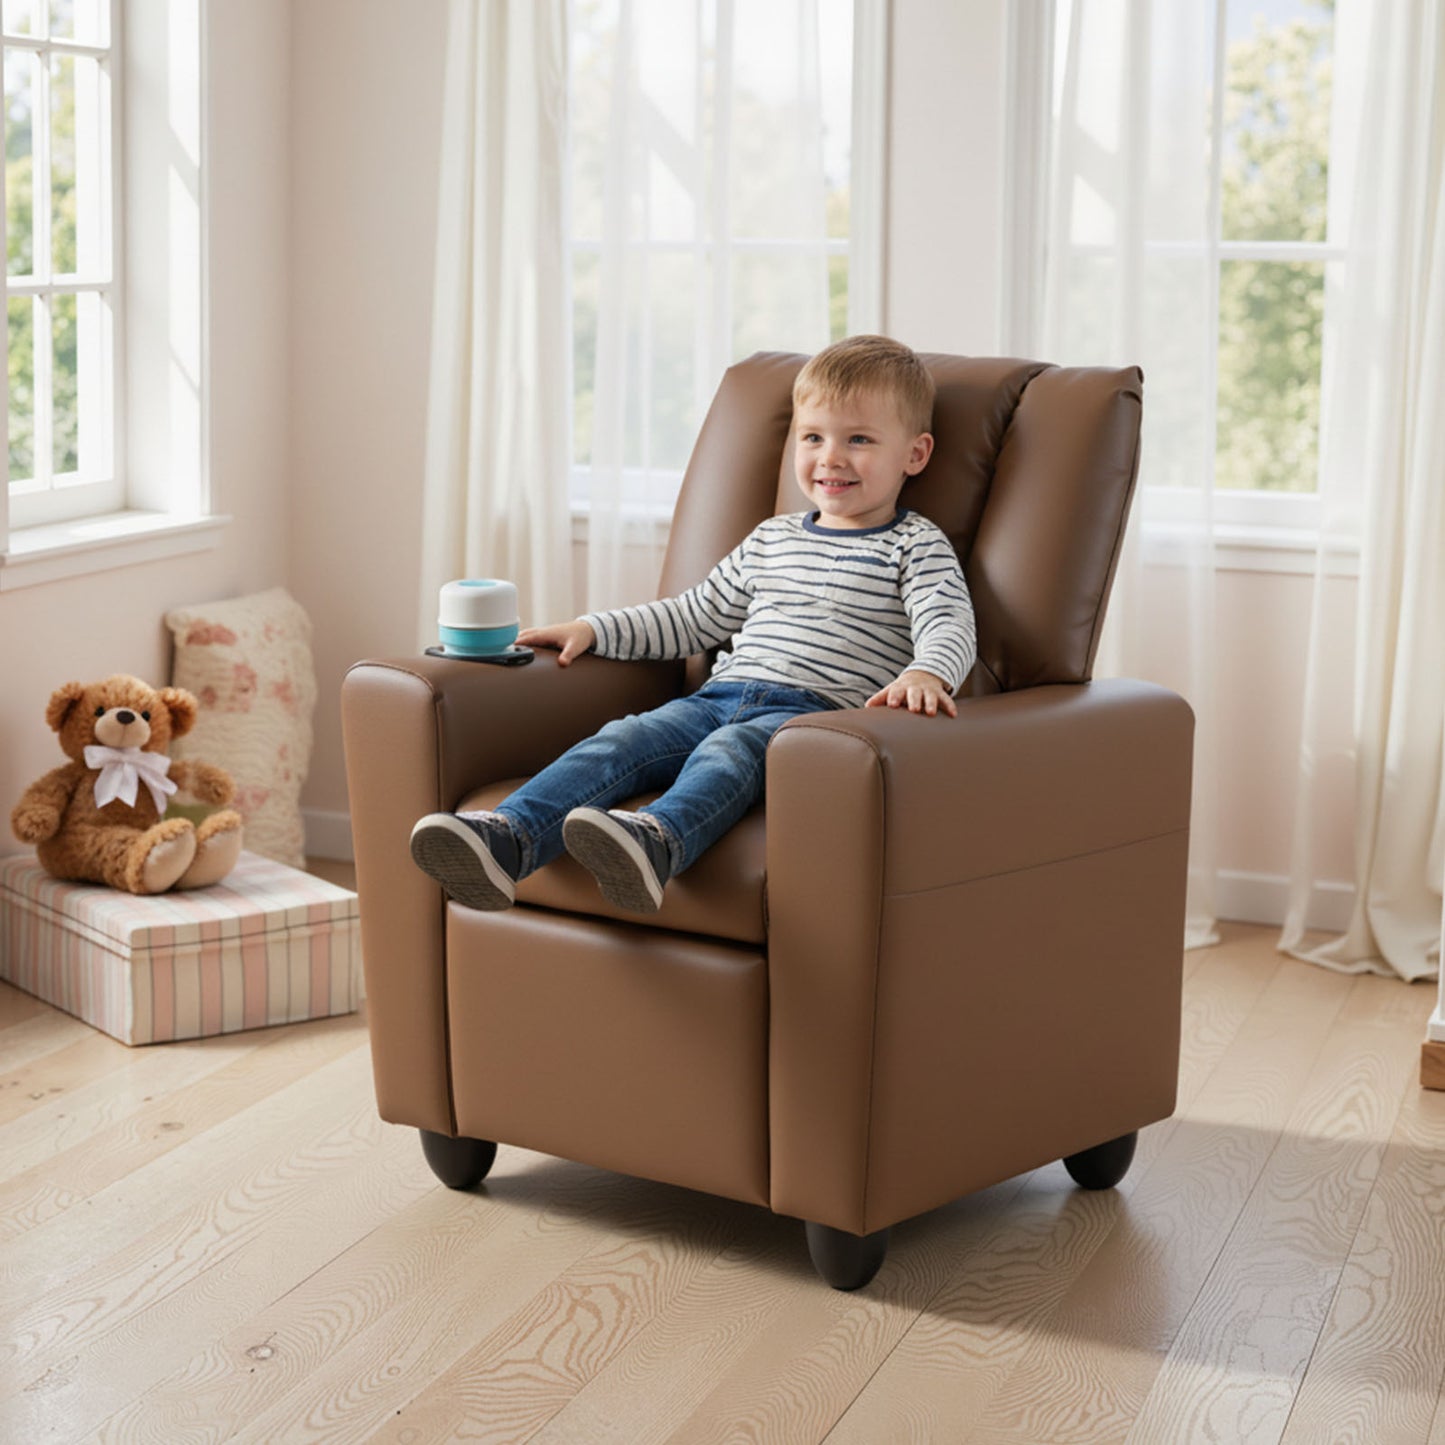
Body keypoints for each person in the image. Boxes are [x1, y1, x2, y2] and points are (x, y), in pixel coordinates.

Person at [410, 334, 977, 914]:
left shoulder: (914, 545)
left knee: (729, 751)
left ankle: (658, 843)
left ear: (915, 454)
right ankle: (507, 839)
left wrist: (929, 672)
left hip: (809, 718)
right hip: (715, 696)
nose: (830, 457)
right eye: (813, 437)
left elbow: (948, 621)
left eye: (858, 439)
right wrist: (595, 628)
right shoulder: (771, 538)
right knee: (620, 739)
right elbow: (693, 615)